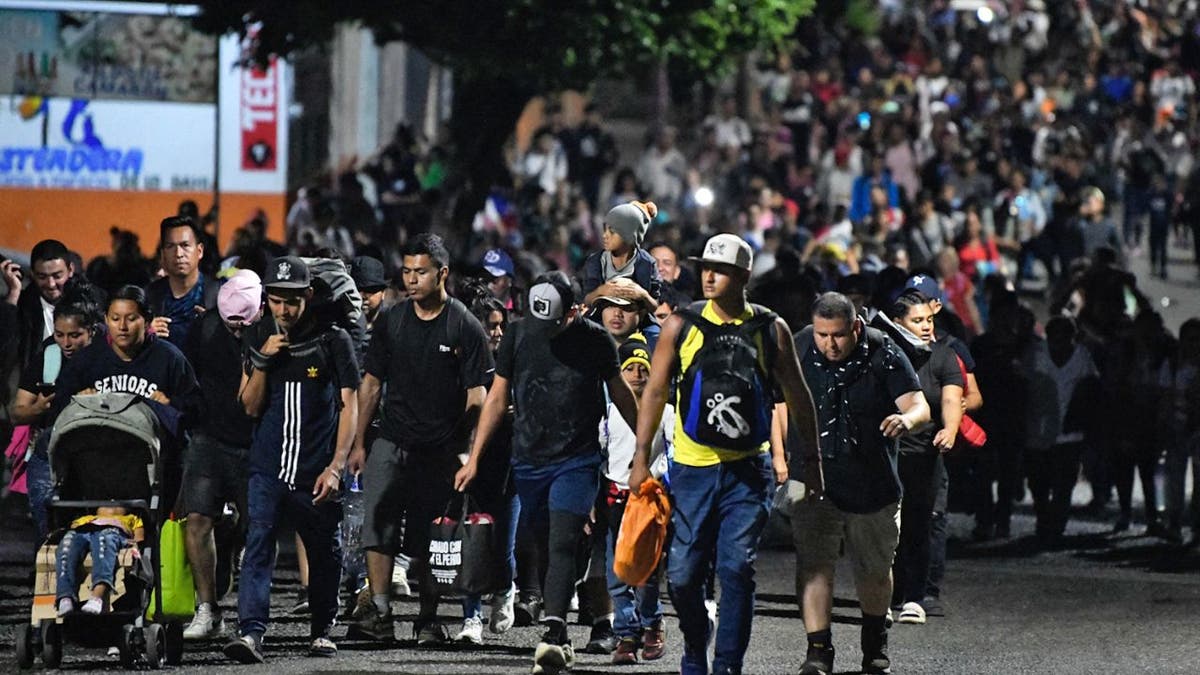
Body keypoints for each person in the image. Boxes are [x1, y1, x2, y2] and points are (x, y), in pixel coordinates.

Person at [628, 233, 822, 675]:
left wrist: (811, 463)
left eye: (721, 270)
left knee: (736, 569)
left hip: (746, 471)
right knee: (681, 576)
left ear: (744, 276)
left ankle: (727, 666)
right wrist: (642, 457)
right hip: (692, 468)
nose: (709, 276)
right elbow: (656, 390)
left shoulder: (770, 328)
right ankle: (696, 647)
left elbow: (797, 394)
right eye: (705, 268)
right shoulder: (682, 324)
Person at [455, 271, 639, 675]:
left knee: (561, 539)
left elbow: (621, 393)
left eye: (553, 320)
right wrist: (474, 457)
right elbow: (499, 395)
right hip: (528, 459)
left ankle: (554, 632)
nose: (544, 328)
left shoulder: (594, 340)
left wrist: (642, 448)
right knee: (542, 544)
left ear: (574, 311)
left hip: (577, 459)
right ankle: (559, 620)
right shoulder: (520, 335)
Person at [348, 234, 494, 646]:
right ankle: (379, 611)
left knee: (435, 536)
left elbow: (478, 396)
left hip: (440, 448)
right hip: (391, 440)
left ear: (442, 274)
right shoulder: (393, 320)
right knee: (377, 526)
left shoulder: (463, 324)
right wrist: (360, 443)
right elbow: (372, 383)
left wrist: (465, 449)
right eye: (407, 272)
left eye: (421, 272)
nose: (412, 280)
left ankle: (428, 620)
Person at [223, 256, 360, 663]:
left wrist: (336, 466)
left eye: (293, 302)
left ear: (309, 297)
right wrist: (264, 358)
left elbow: (349, 404)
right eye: (277, 301)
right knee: (258, 543)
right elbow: (248, 406)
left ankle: (322, 629)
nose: (284, 310)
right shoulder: (260, 336)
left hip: (316, 471)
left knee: (324, 550)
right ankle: (251, 633)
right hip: (268, 468)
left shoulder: (335, 341)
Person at [792, 292, 930, 675]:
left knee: (873, 570)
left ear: (855, 327)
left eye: (837, 335)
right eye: (822, 334)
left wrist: (907, 421)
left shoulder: (884, 351)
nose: (829, 344)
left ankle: (874, 645)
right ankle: (818, 651)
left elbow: (919, 405)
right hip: (813, 478)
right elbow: (780, 401)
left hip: (873, 484)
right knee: (813, 565)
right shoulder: (800, 344)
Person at [179, 270, 263, 640]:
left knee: (258, 526)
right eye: (232, 325)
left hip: (257, 442)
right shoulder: (206, 328)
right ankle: (208, 610)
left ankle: (250, 618)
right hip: (209, 438)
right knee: (195, 519)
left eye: (244, 325)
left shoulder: (274, 330)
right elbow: (187, 375)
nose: (238, 332)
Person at [877, 290, 963, 626]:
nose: (926, 326)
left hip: (924, 456)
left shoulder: (943, 356)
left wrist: (951, 430)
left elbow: (953, 400)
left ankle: (915, 597)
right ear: (897, 323)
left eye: (929, 319)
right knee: (882, 528)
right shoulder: (882, 355)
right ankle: (883, 595)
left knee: (919, 526)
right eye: (917, 320)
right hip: (885, 455)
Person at [9, 286, 102, 540]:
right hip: (57, 446)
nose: (66, 343)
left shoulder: (109, 353)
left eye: (75, 335)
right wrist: (37, 409)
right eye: (60, 335)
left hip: (103, 444)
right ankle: (47, 546)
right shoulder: (49, 355)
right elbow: (17, 412)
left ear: (92, 330)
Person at [603, 334, 671, 665]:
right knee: (616, 570)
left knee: (646, 569)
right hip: (615, 498)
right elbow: (602, 454)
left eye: (643, 368)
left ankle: (651, 623)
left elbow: (674, 455)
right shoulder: (609, 412)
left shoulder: (666, 412)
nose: (637, 374)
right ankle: (626, 633)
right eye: (629, 368)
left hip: (649, 499)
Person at [51, 285, 201, 425]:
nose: (122, 327)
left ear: (147, 321)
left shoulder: (169, 358)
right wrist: (77, 401)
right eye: (115, 319)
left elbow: (196, 408)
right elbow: (57, 407)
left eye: (131, 319)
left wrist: (169, 404)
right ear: (106, 320)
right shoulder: (86, 360)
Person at [1023, 316, 1100, 544]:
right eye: (1055, 335)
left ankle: (1055, 526)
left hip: (1070, 431)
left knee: (1064, 483)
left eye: (1064, 335)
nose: (1059, 340)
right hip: (1039, 430)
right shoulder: (1037, 354)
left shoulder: (1082, 357)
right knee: (1038, 481)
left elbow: (1091, 387)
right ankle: (1043, 518)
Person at [54, 506, 144, 615]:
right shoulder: (86, 518)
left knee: (104, 543)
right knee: (67, 546)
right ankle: (65, 597)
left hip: (112, 529)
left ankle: (97, 597)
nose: (111, 504)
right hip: (84, 530)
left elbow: (139, 540)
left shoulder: (132, 518)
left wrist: (134, 547)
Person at [146, 216, 219, 349]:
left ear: (200, 251)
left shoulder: (218, 295)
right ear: (162, 254)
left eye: (185, 245)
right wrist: (146, 333)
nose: (179, 254)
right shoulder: (149, 296)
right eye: (170, 246)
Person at [582, 201, 663, 303]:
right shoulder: (596, 261)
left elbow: (655, 305)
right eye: (605, 230)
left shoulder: (647, 263)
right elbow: (586, 300)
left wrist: (643, 295)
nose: (605, 235)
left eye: (612, 231)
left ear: (630, 235)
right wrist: (600, 291)